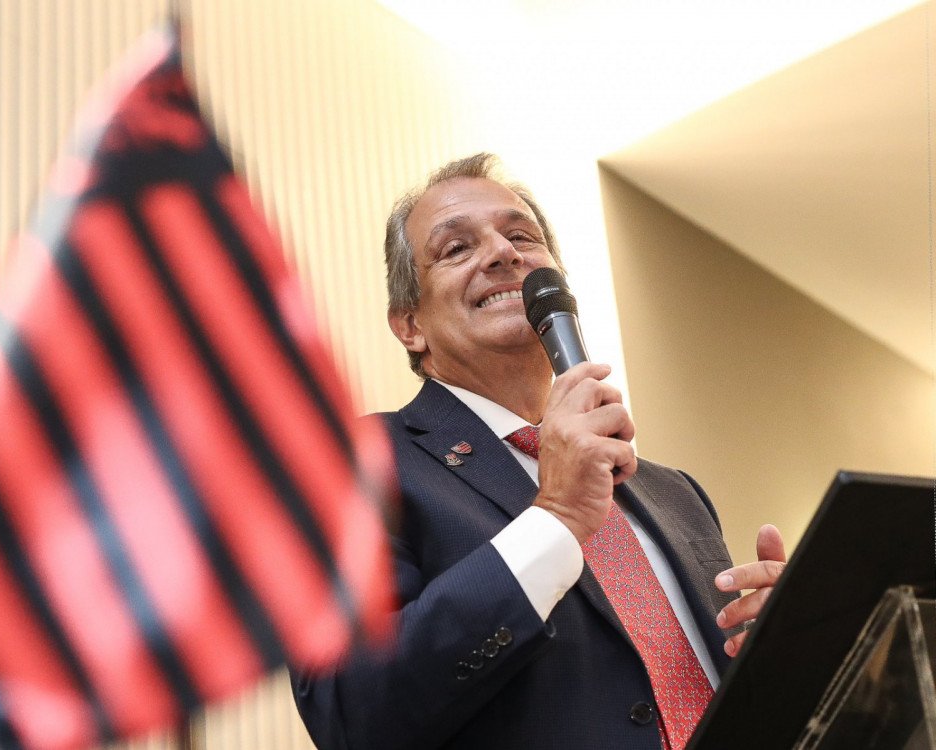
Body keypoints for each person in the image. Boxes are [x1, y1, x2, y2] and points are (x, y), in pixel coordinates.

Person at [291, 153, 786, 749]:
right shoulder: (359, 460)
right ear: (409, 326)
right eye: (456, 249)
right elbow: (349, 710)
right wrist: (555, 518)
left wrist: (782, 650)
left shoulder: (674, 491)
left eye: (521, 235)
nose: (503, 253)